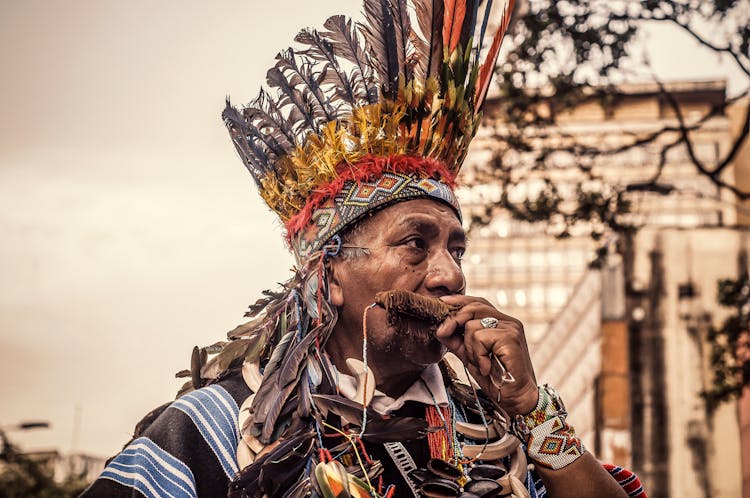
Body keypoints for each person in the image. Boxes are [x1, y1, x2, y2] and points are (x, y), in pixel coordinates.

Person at [82, 1, 646, 497]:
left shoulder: (499, 439)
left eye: (457, 249)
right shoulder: (216, 429)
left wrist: (528, 407)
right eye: (414, 245)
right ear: (327, 275)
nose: (450, 276)